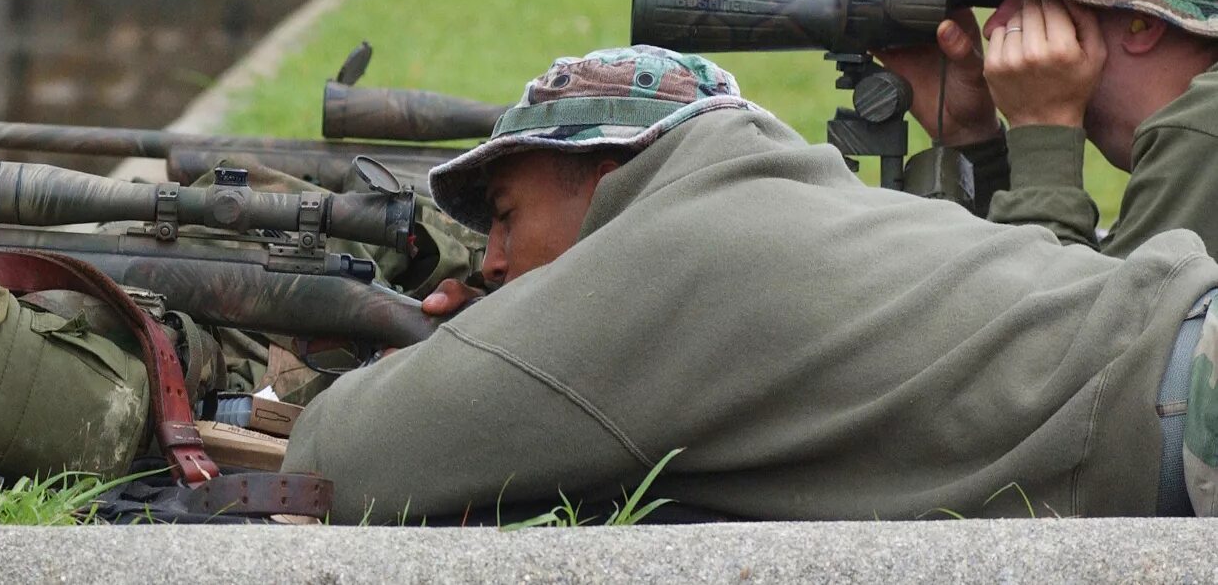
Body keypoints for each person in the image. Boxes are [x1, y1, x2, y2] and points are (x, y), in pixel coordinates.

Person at [280, 46, 1218, 523]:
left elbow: (341, 463)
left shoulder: (662, 259)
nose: (488, 259)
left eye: (509, 214)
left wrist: (447, 353)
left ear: (606, 176)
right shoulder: (775, 200)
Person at [881, 0, 1218, 254]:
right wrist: (974, 139)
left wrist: (1045, 131)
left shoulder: (1204, 130)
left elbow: (1078, 316)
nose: (993, 28)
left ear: (1141, 22)